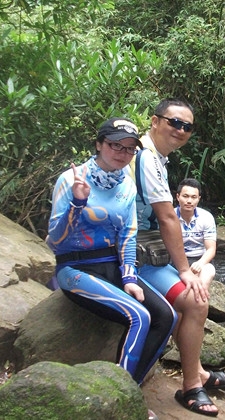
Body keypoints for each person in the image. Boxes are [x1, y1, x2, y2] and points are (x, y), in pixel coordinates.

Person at [46, 117, 177, 388]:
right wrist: (77, 203)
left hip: (111, 264)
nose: (123, 153)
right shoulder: (70, 179)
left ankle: (131, 389)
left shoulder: (126, 185)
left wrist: (129, 277)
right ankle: (120, 395)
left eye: (129, 148)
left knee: (167, 317)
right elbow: (56, 240)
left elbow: (128, 236)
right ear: (99, 144)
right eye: (115, 145)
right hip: (74, 267)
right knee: (139, 316)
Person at [129, 99, 225, 417]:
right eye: (174, 122)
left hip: (148, 252)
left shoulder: (157, 157)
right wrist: (185, 270)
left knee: (195, 300)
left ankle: (196, 374)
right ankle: (191, 384)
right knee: (195, 301)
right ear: (155, 121)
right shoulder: (145, 157)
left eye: (187, 126)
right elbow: (166, 218)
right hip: (132, 255)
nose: (181, 130)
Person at [174, 178, 217, 286]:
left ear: (199, 199)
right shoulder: (170, 217)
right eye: (185, 196)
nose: (189, 201)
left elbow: (211, 249)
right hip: (176, 261)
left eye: (194, 197)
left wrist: (200, 263)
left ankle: (199, 294)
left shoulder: (206, 217)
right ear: (178, 197)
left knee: (208, 271)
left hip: (201, 259)